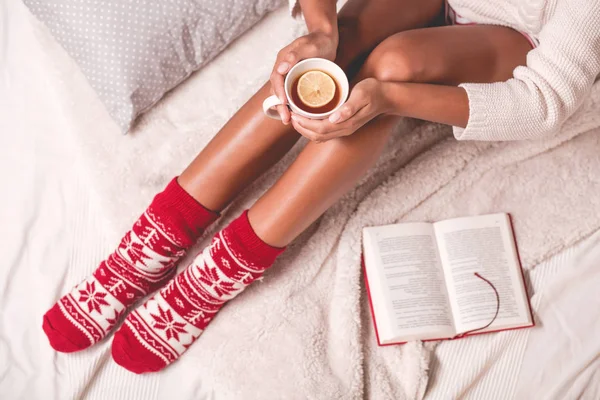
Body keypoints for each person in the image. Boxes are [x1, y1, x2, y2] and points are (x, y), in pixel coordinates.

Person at [42, 0, 600, 373]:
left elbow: (546, 102)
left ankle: (223, 270)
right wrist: (320, 29)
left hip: (521, 38)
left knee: (393, 66)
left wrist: (388, 99)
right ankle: (153, 242)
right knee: (340, 45)